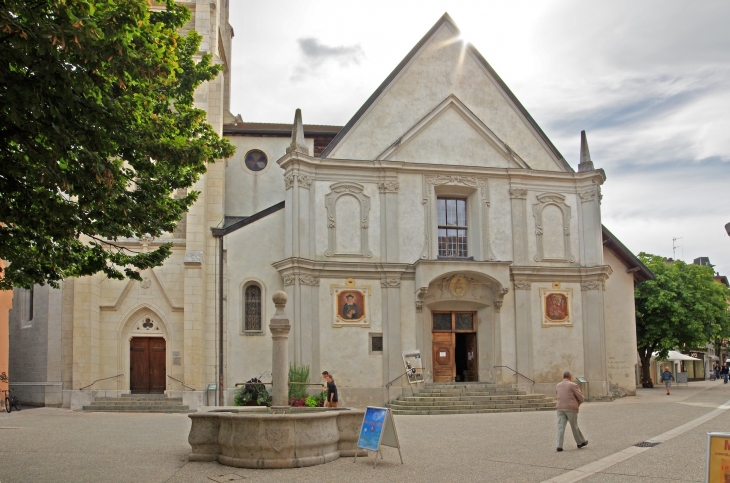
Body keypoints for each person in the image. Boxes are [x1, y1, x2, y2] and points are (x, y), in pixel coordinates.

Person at [555, 371, 587, 452]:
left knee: (561, 427)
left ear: (563, 377)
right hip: (570, 408)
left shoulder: (558, 385)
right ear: (569, 377)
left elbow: (558, 395)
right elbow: (580, 396)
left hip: (560, 408)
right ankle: (580, 442)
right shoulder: (573, 385)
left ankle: (559, 445)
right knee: (574, 426)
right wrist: (579, 403)